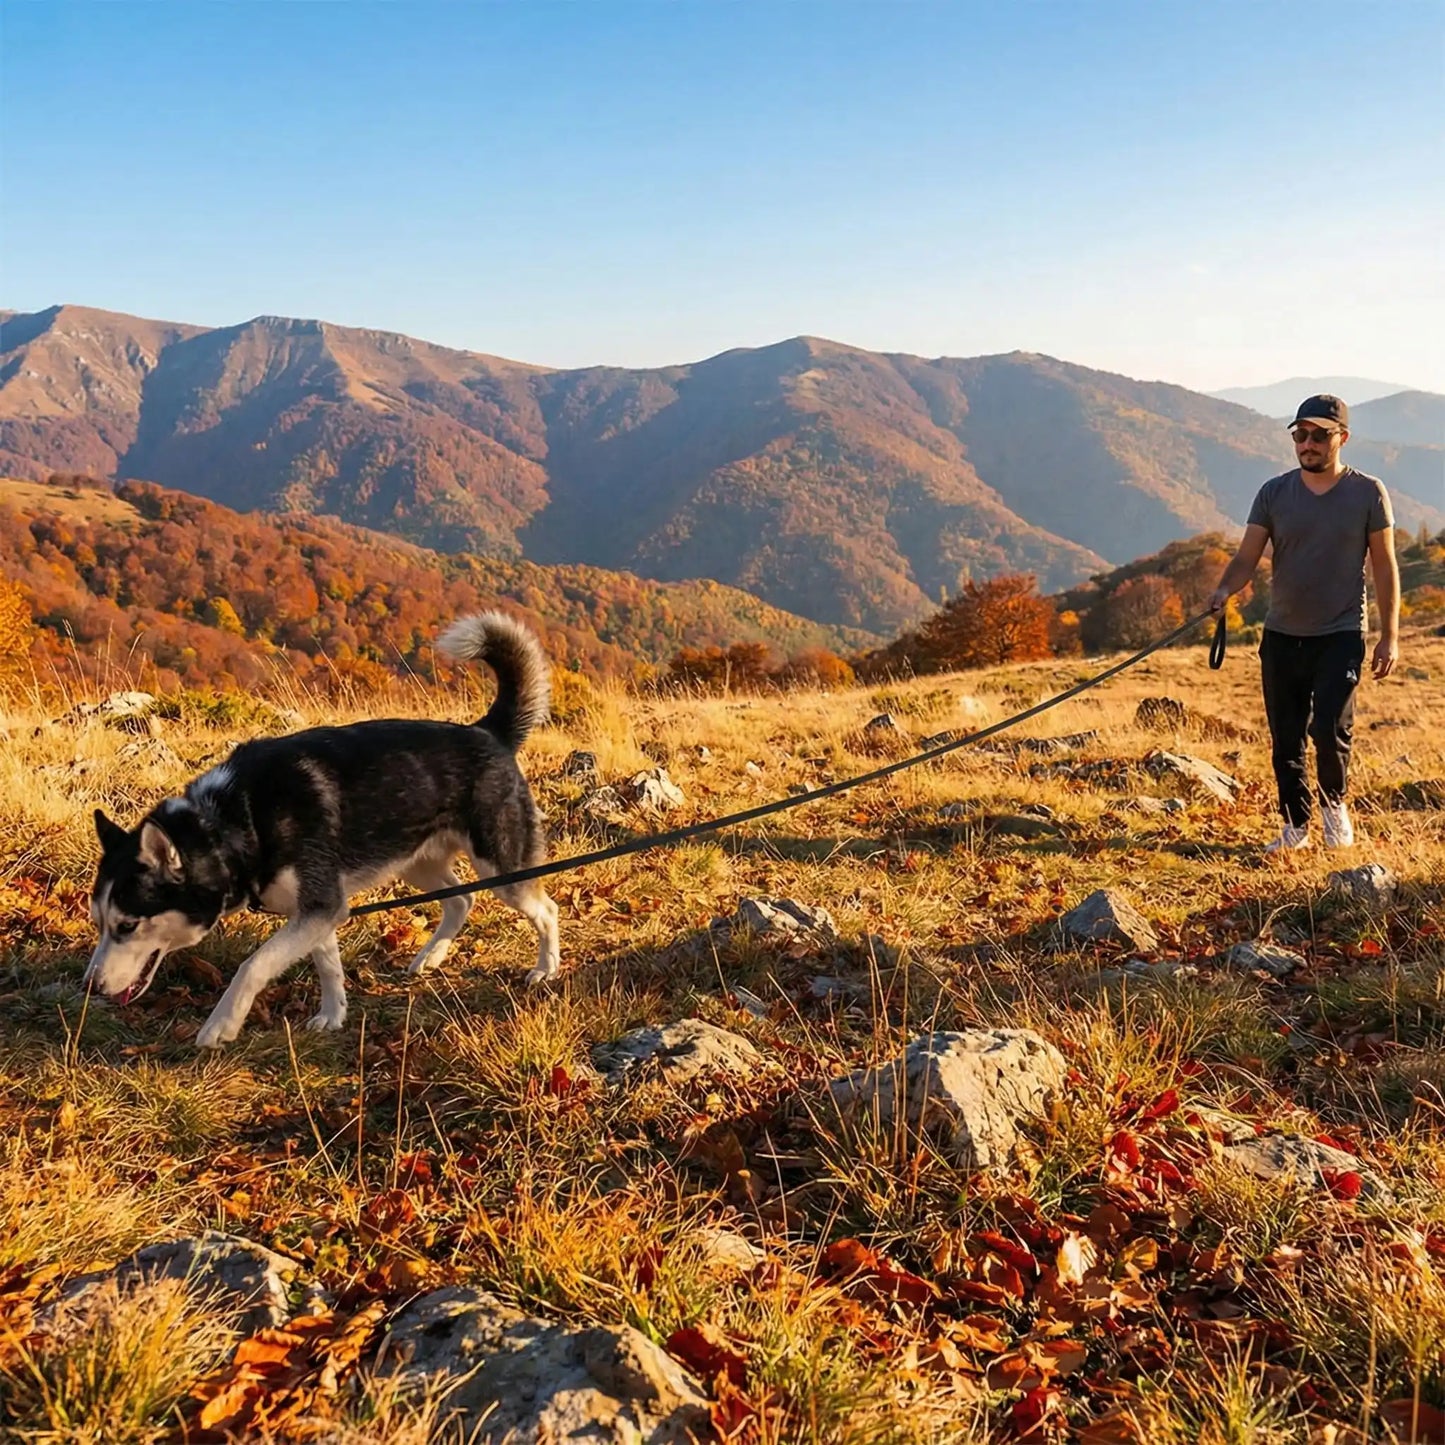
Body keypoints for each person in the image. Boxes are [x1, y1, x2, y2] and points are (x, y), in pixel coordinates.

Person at [1209, 393, 1399, 853]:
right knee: (1286, 739)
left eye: (1318, 435)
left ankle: (1335, 806)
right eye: (1300, 435)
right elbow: (1246, 557)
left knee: (1331, 729)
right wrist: (1222, 591)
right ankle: (1295, 826)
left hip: (1340, 634)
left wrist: (1390, 635)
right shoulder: (1274, 493)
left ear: (1342, 438)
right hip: (1281, 635)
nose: (1307, 443)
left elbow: (1385, 566)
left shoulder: (1368, 492)